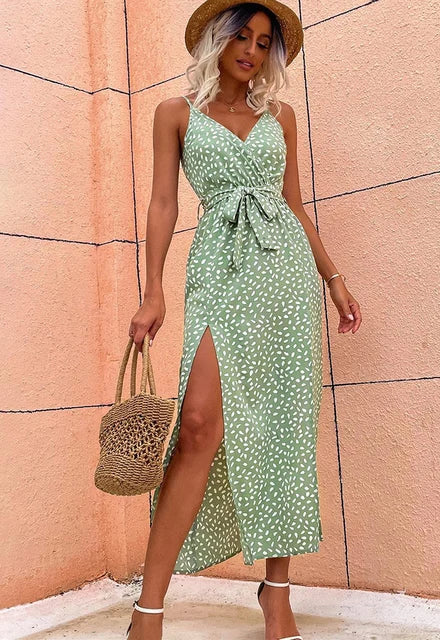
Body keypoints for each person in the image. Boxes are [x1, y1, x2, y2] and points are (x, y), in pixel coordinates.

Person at [126, 1, 362, 638]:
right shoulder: (175, 113)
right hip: (220, 270)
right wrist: (153, 292)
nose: (252, 50)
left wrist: (333, 279)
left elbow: (293, 204)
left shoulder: (279, 117)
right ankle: (148, 608)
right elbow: (163, 203)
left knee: (284, 427)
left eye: (264, 42)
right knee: (198, 425)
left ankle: (276, 592)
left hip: (283, 277)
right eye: (241, 35)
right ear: (216, 39)